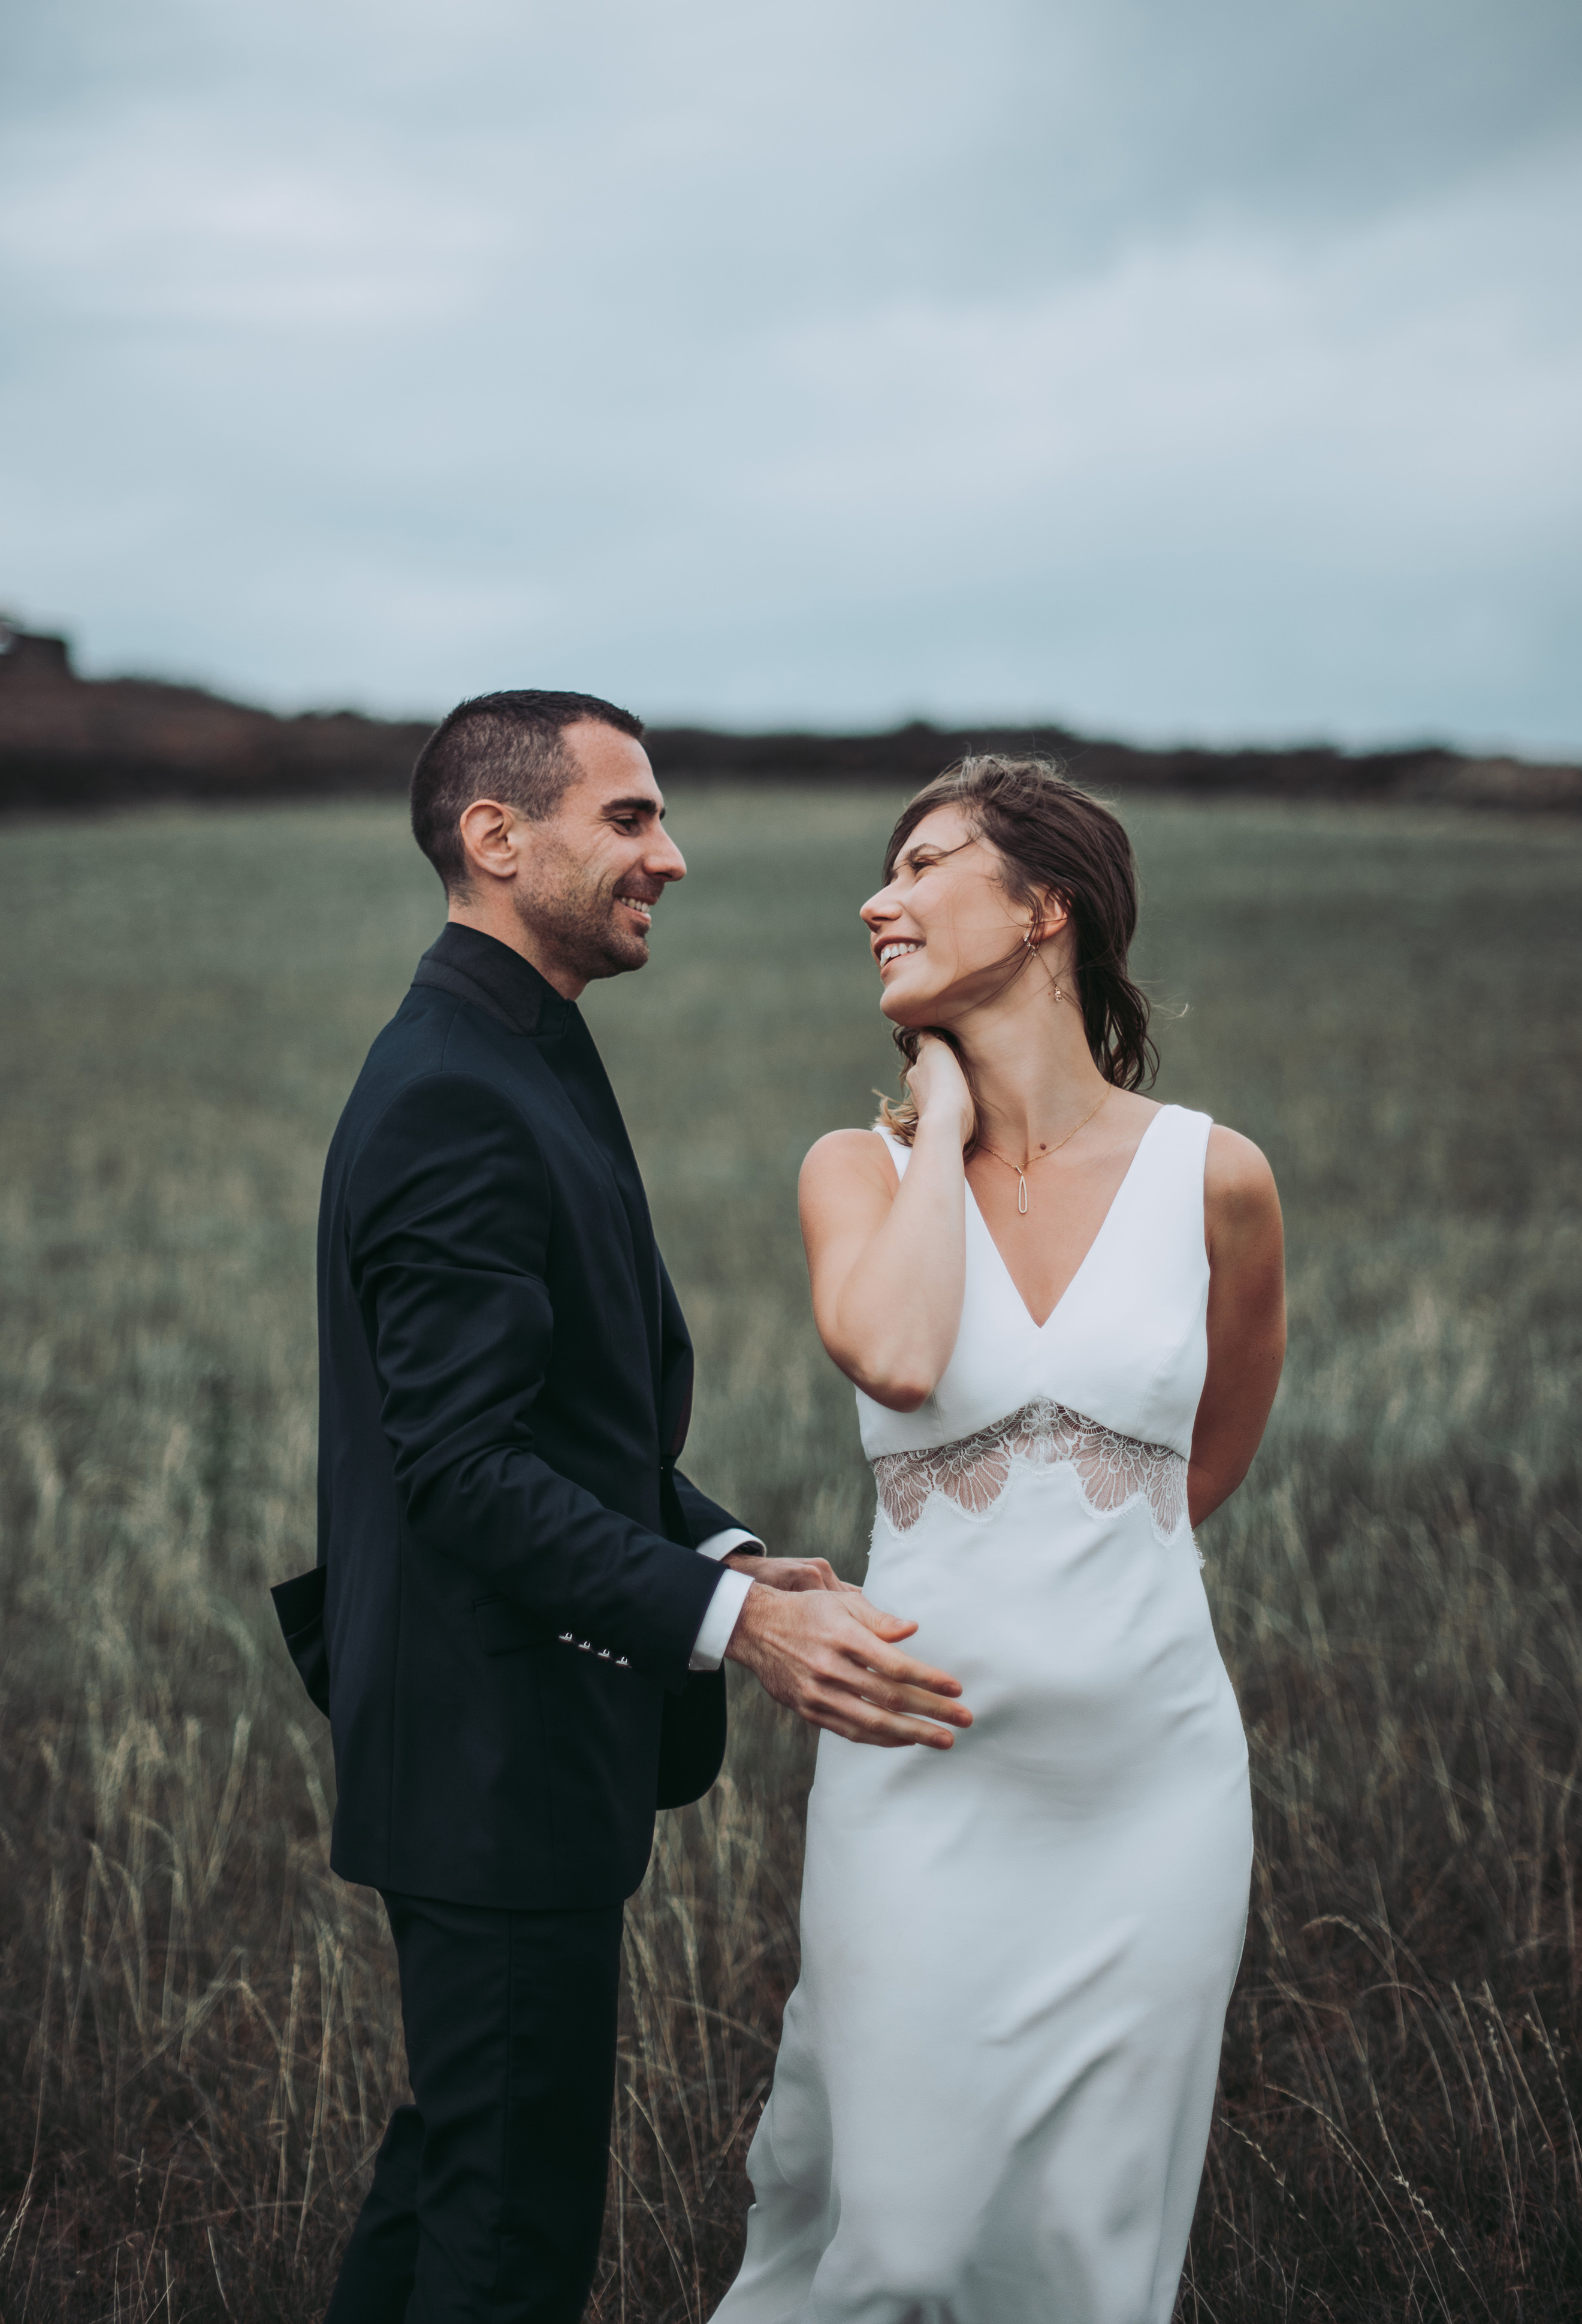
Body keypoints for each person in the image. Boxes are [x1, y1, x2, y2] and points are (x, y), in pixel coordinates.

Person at [269, 690, 970, 2324]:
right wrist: (743, 1625)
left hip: (496, 1741)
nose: (673, 852)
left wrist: (713, 1540)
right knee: (509, 2243)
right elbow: (461, 1470)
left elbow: (549, 1422)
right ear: (496, 838)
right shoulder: (457, 1085)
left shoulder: (510, 1043)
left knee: (460, 2171)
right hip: (491, 1750)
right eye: (631, 818)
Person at [712, 755, 1286, 2324]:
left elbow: (1202, 1456)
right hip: (922, 1783)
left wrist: (1095, 1603)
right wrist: (949, 1103)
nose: (873, 898)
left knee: (1091, 2262)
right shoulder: (865, 1169)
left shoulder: (1216, 1177)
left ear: (1048, 908)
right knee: (901, 2248)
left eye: (921, 863)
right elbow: (897, 1353)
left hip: (1149, 1790)